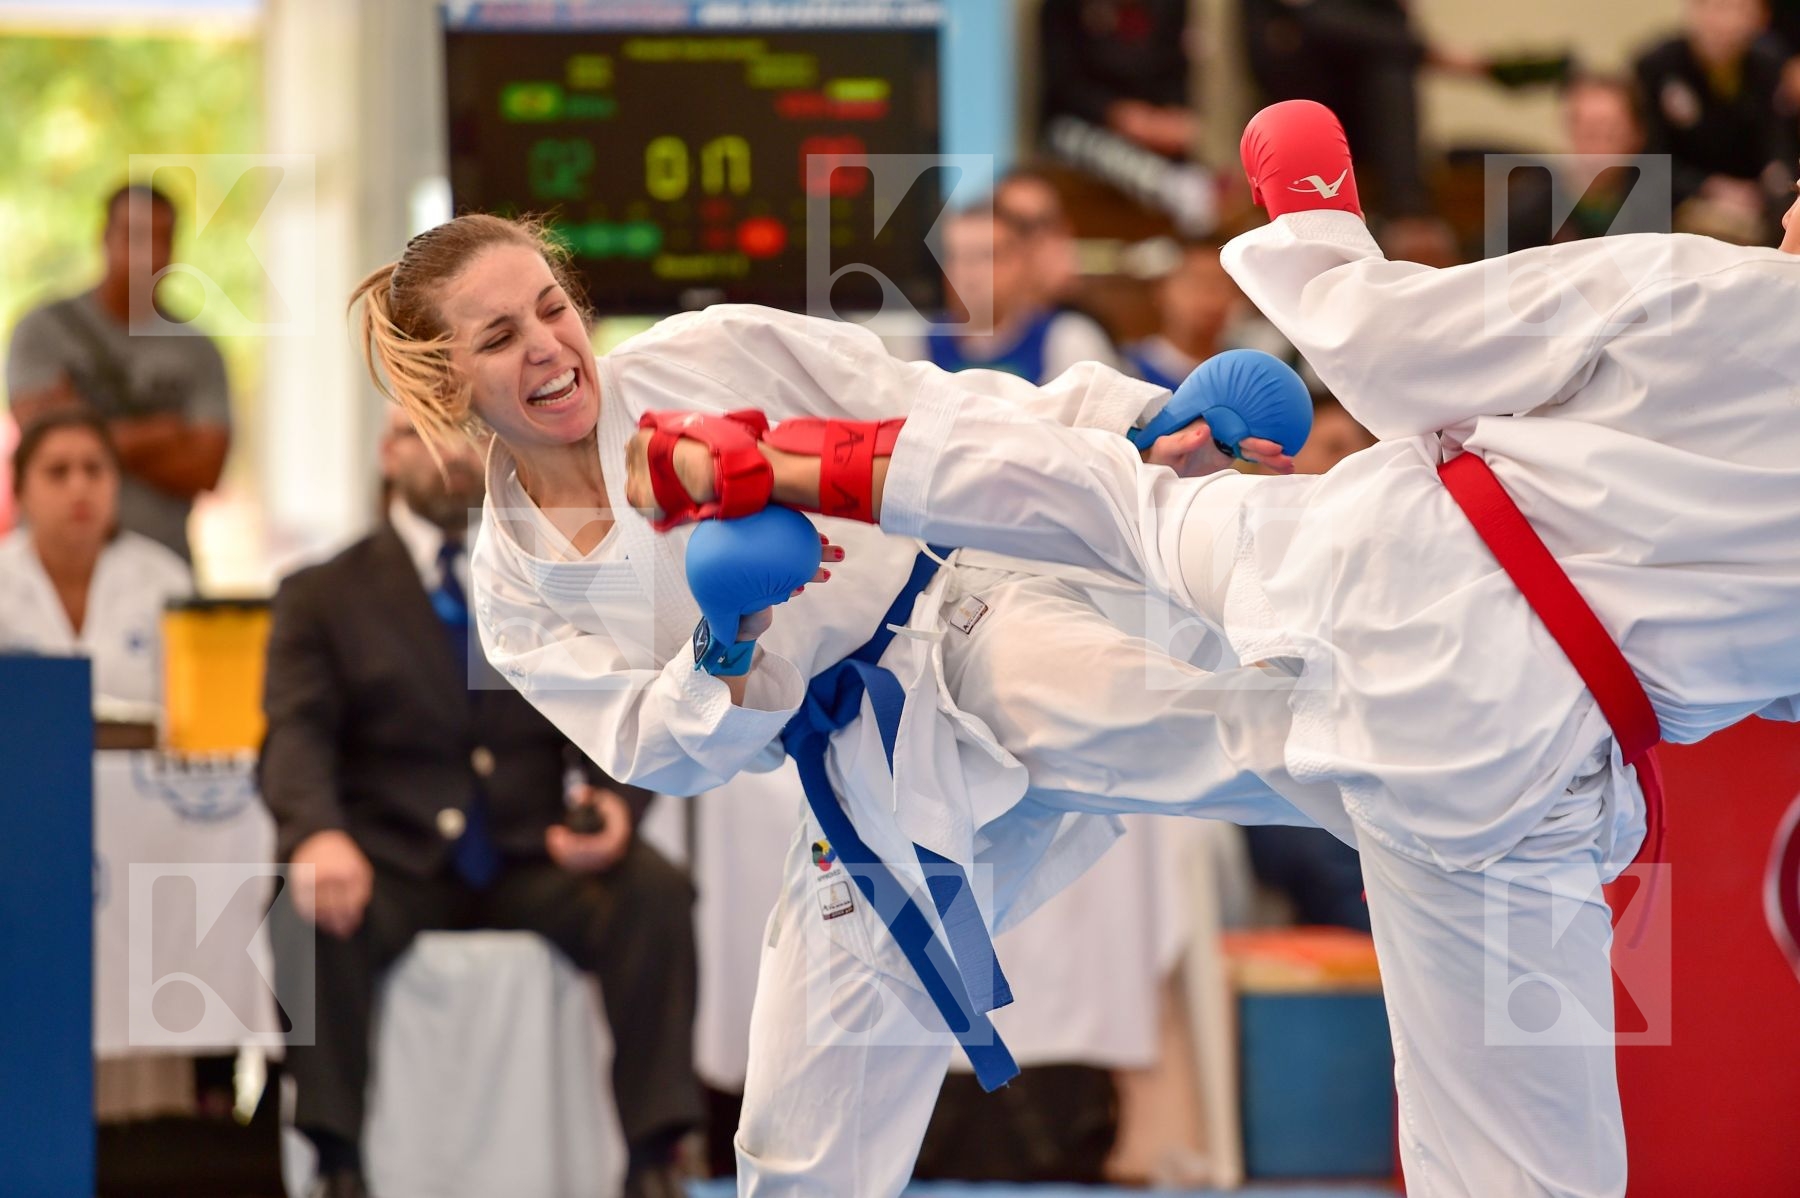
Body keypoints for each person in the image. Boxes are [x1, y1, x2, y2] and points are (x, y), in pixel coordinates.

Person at [652, 99, 1800, 1197]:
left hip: (1393, 578)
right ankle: (791, 466)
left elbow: (1396, 352)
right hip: (1512, 771)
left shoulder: (1722, 286)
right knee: (1524, 1162)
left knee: (1110, 495)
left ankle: (778, 464)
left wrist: (1314, 219)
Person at [346, 213, 1300, 1198]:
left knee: (1212, 738)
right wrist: (726, 637)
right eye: (500, 337)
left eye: (553, 309)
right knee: (801, 1134)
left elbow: (926, 414)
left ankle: (1390, 751)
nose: (548, 344)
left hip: (954, 629)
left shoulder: (703, 357)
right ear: (447, 385)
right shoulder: (514, 585)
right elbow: (653, 749)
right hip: (853, 778)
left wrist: (1129, 431)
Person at [258, 405, 701, 1198]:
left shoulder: (552, 576)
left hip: (532, 857)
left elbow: (619, 705)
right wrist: (317, 833)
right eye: (423, 432)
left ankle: (654, 1160)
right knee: (302, 906)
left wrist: (614, 806)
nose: (450, 452)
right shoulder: (320, 594)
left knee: (654, 890)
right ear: (387, 453)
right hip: (388, 865)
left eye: (467, 432)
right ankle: (337, 1165)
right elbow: (295, 734)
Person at [5, 184, 231, 562]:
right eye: (136, 236)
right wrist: (162, 434)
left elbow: (206, 469)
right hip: (50, 571)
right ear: (105, 238)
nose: (149, 255)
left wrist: (86, 425)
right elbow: (46, 444)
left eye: (162, 239)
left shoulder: (198, 349)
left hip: (163, 566)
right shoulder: (44, 329)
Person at [0, 409, 191, 712]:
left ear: (117, 483)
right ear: (20, 491)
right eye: (58, 472)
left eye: (93, 470)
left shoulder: (166, 580)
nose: (79, 487)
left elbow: (190, 711)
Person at [1634, 0, 1798, 241]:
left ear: (1761, 19)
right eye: (1717, 8)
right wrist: (1708, 187)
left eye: (1741, 10)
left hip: (1756, 198)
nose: (1727, 23)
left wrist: (1773, 184)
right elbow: (1649, 154)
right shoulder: (1657, 66)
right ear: (1694, 11)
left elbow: (1778, 145)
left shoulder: (1770, 65)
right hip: (1681, 196)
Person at [911, 206, 1120, 382]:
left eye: (987, 255)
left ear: (1022, 262)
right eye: (955, 257)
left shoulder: (1067, 340)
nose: (970, 272)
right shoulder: (918, 346)